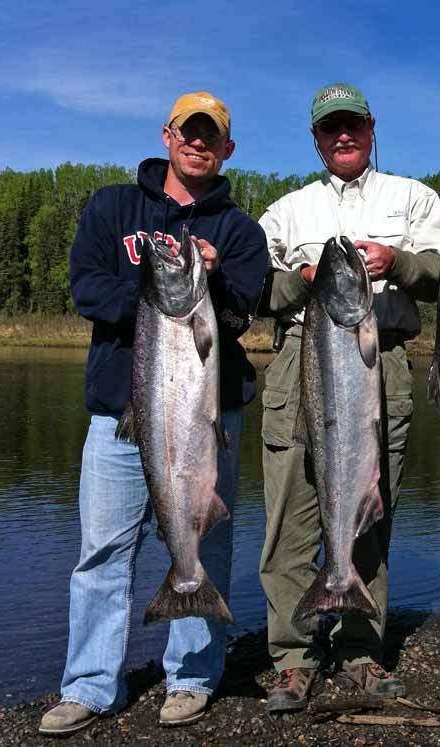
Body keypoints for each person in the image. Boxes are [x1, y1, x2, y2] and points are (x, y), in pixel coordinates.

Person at [38, 92, 268, 735]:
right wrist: (160, 288)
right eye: (188, 132)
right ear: (167, 136)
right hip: (118, 414)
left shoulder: (240, 232)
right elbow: (87, 288)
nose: (198, 144)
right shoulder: (112, 206)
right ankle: (89, 686)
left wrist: (208, 280)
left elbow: (239, 314)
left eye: (211, 136)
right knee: (101, 555)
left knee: (205, 543)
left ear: (227, 150)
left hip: (207, 420)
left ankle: (191, 678)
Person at [257, 82, 440, 714]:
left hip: (380, 359)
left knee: (370, 510)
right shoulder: (287, 211)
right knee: (289, 516)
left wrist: (399, 261)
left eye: (352, 125)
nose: (342, 136)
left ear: (371, 128)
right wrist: (300, 280)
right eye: (329, 128)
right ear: (315, 139)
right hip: (299, 360)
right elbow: (252, 286)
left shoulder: (412, 198)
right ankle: (292, 658)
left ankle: (362, 650)